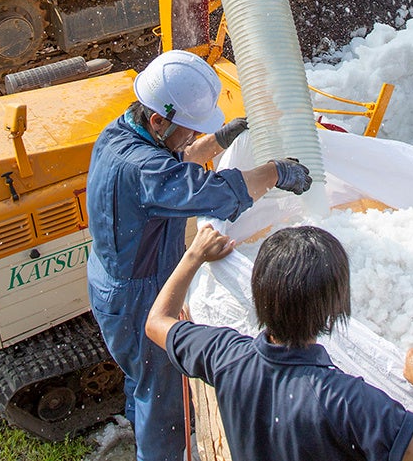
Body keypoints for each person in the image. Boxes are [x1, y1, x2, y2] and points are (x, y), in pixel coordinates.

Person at [86, 49, 313, 461]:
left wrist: (219, 140)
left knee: (142, 379)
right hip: (139, 294)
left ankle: (138, 428)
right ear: (158, 119)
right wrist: (277, 171)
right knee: (164, 396)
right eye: (189, 128)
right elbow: (218, 193)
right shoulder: (144, 168)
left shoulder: (122, 133)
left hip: (116, 279)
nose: (192, 137)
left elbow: (173, 163)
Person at [145, 224, 413, 461]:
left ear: (258, 295)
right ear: (335, 310)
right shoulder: (350, 402)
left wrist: (194, 256)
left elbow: (157, 322)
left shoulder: (226, 355)